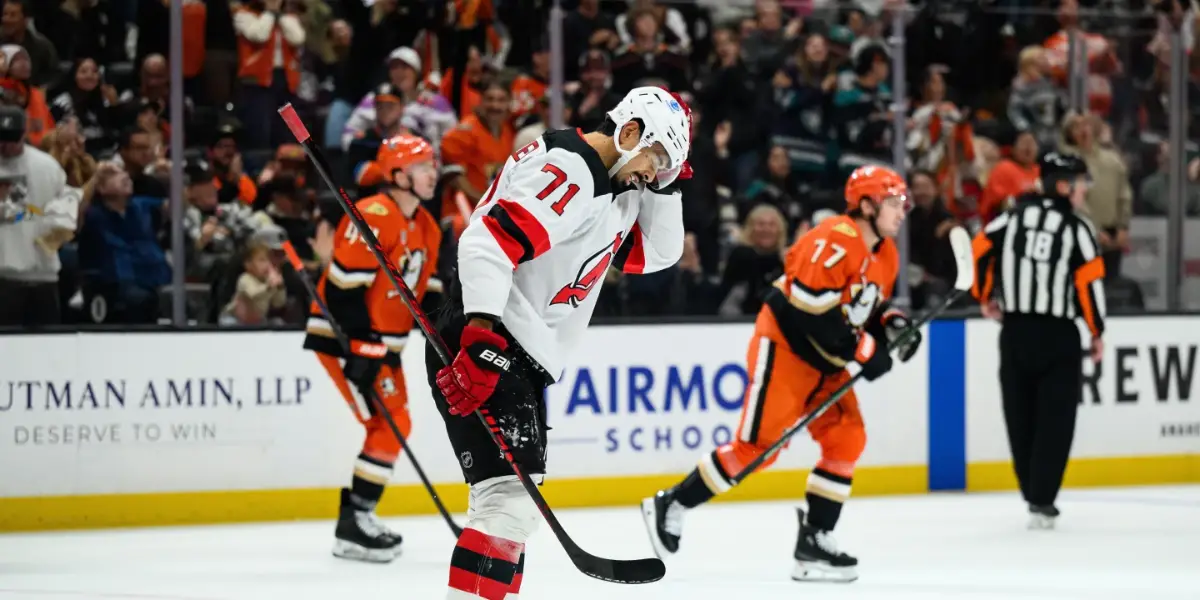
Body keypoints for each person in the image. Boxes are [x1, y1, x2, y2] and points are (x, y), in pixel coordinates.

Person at [429, 86, 691, 599]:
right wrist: (480, 335)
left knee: (504, 503)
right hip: (490, 334)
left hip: (509, 343)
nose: (652, 174)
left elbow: (656, 254)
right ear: (630, 131)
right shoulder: (576, 170)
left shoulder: (615, 187)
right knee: (509, 501)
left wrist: (667, 183)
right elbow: (486, 241)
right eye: (655, 159)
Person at [642, 165, 918, 584]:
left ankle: (815, 541)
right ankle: (673, 503)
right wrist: (865, 351)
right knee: (759, 448)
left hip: (827, 360)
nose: (902, 211)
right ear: (866, 204)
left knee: (847, 437)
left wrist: (891, 323)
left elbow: (863, 305)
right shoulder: (834, 238)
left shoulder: (887, 252)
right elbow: (809, 311)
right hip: (787, 348)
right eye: (894, 202)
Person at [301, 135, 443, 562]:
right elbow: (343, 290)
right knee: (390, 423)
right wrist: (361, 349)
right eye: (422, 166)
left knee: (394, 424)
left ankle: (357, 518)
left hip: (382, 345)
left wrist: (448, 335)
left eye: (432, 164)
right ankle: (354, 522)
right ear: (398, 175)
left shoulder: (427, 227)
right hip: (348, 337)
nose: (432, 173)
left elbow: (428, 293)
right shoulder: (375, 214)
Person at [969, 151, 1106, 530]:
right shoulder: (1078, 228)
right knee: (1055, 419)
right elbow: (1088, 283)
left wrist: (985, 296)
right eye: (1080, 184)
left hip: (1014, 332)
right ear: (1063, 186)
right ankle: (1043, 498)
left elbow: (978, 250)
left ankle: (1031, 492)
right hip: (1059, 335)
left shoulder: (1009, 219)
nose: (1083, 191)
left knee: (1020, 415)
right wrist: (1097, 331)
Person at [0, 105, 79, 327]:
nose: (4, 145)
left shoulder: (46, 166)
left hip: (43, 275)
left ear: (23, 134)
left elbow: (67, 211)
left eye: (11, 139)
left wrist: (56, 234)